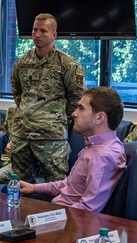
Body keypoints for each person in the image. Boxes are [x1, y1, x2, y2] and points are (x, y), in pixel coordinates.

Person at [18, 86, 127, 212]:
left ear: (99, 118)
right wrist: (34, 188)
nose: (74, 113)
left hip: (67, 219)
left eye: (81, 108)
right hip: (60, 210)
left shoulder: (103, 156)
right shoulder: (94, 146)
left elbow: (87, 210)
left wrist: (51, 217)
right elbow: (70, 185)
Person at [9, 13, 86, 183]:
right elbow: (17, 92)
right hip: (22, 132)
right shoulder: (22, 62)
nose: (37, 34)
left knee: (56, 184)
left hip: (51, 135)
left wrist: (54, 118)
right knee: (20, 184)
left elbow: (76, 98)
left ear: (54, 35)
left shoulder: (67, 64)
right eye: (35, 30)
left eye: (43, 31)